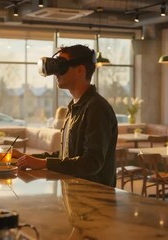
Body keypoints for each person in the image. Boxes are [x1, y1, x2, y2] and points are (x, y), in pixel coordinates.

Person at [16, 44, 118, 187]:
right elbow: (66, 156)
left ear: (80, 70)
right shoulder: (74, 107)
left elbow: (92, 163)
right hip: (76, 194)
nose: (56, 73)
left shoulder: (96, 108)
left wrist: (44, 163)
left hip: (95, 197)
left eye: (61, 66)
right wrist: (25, 158)